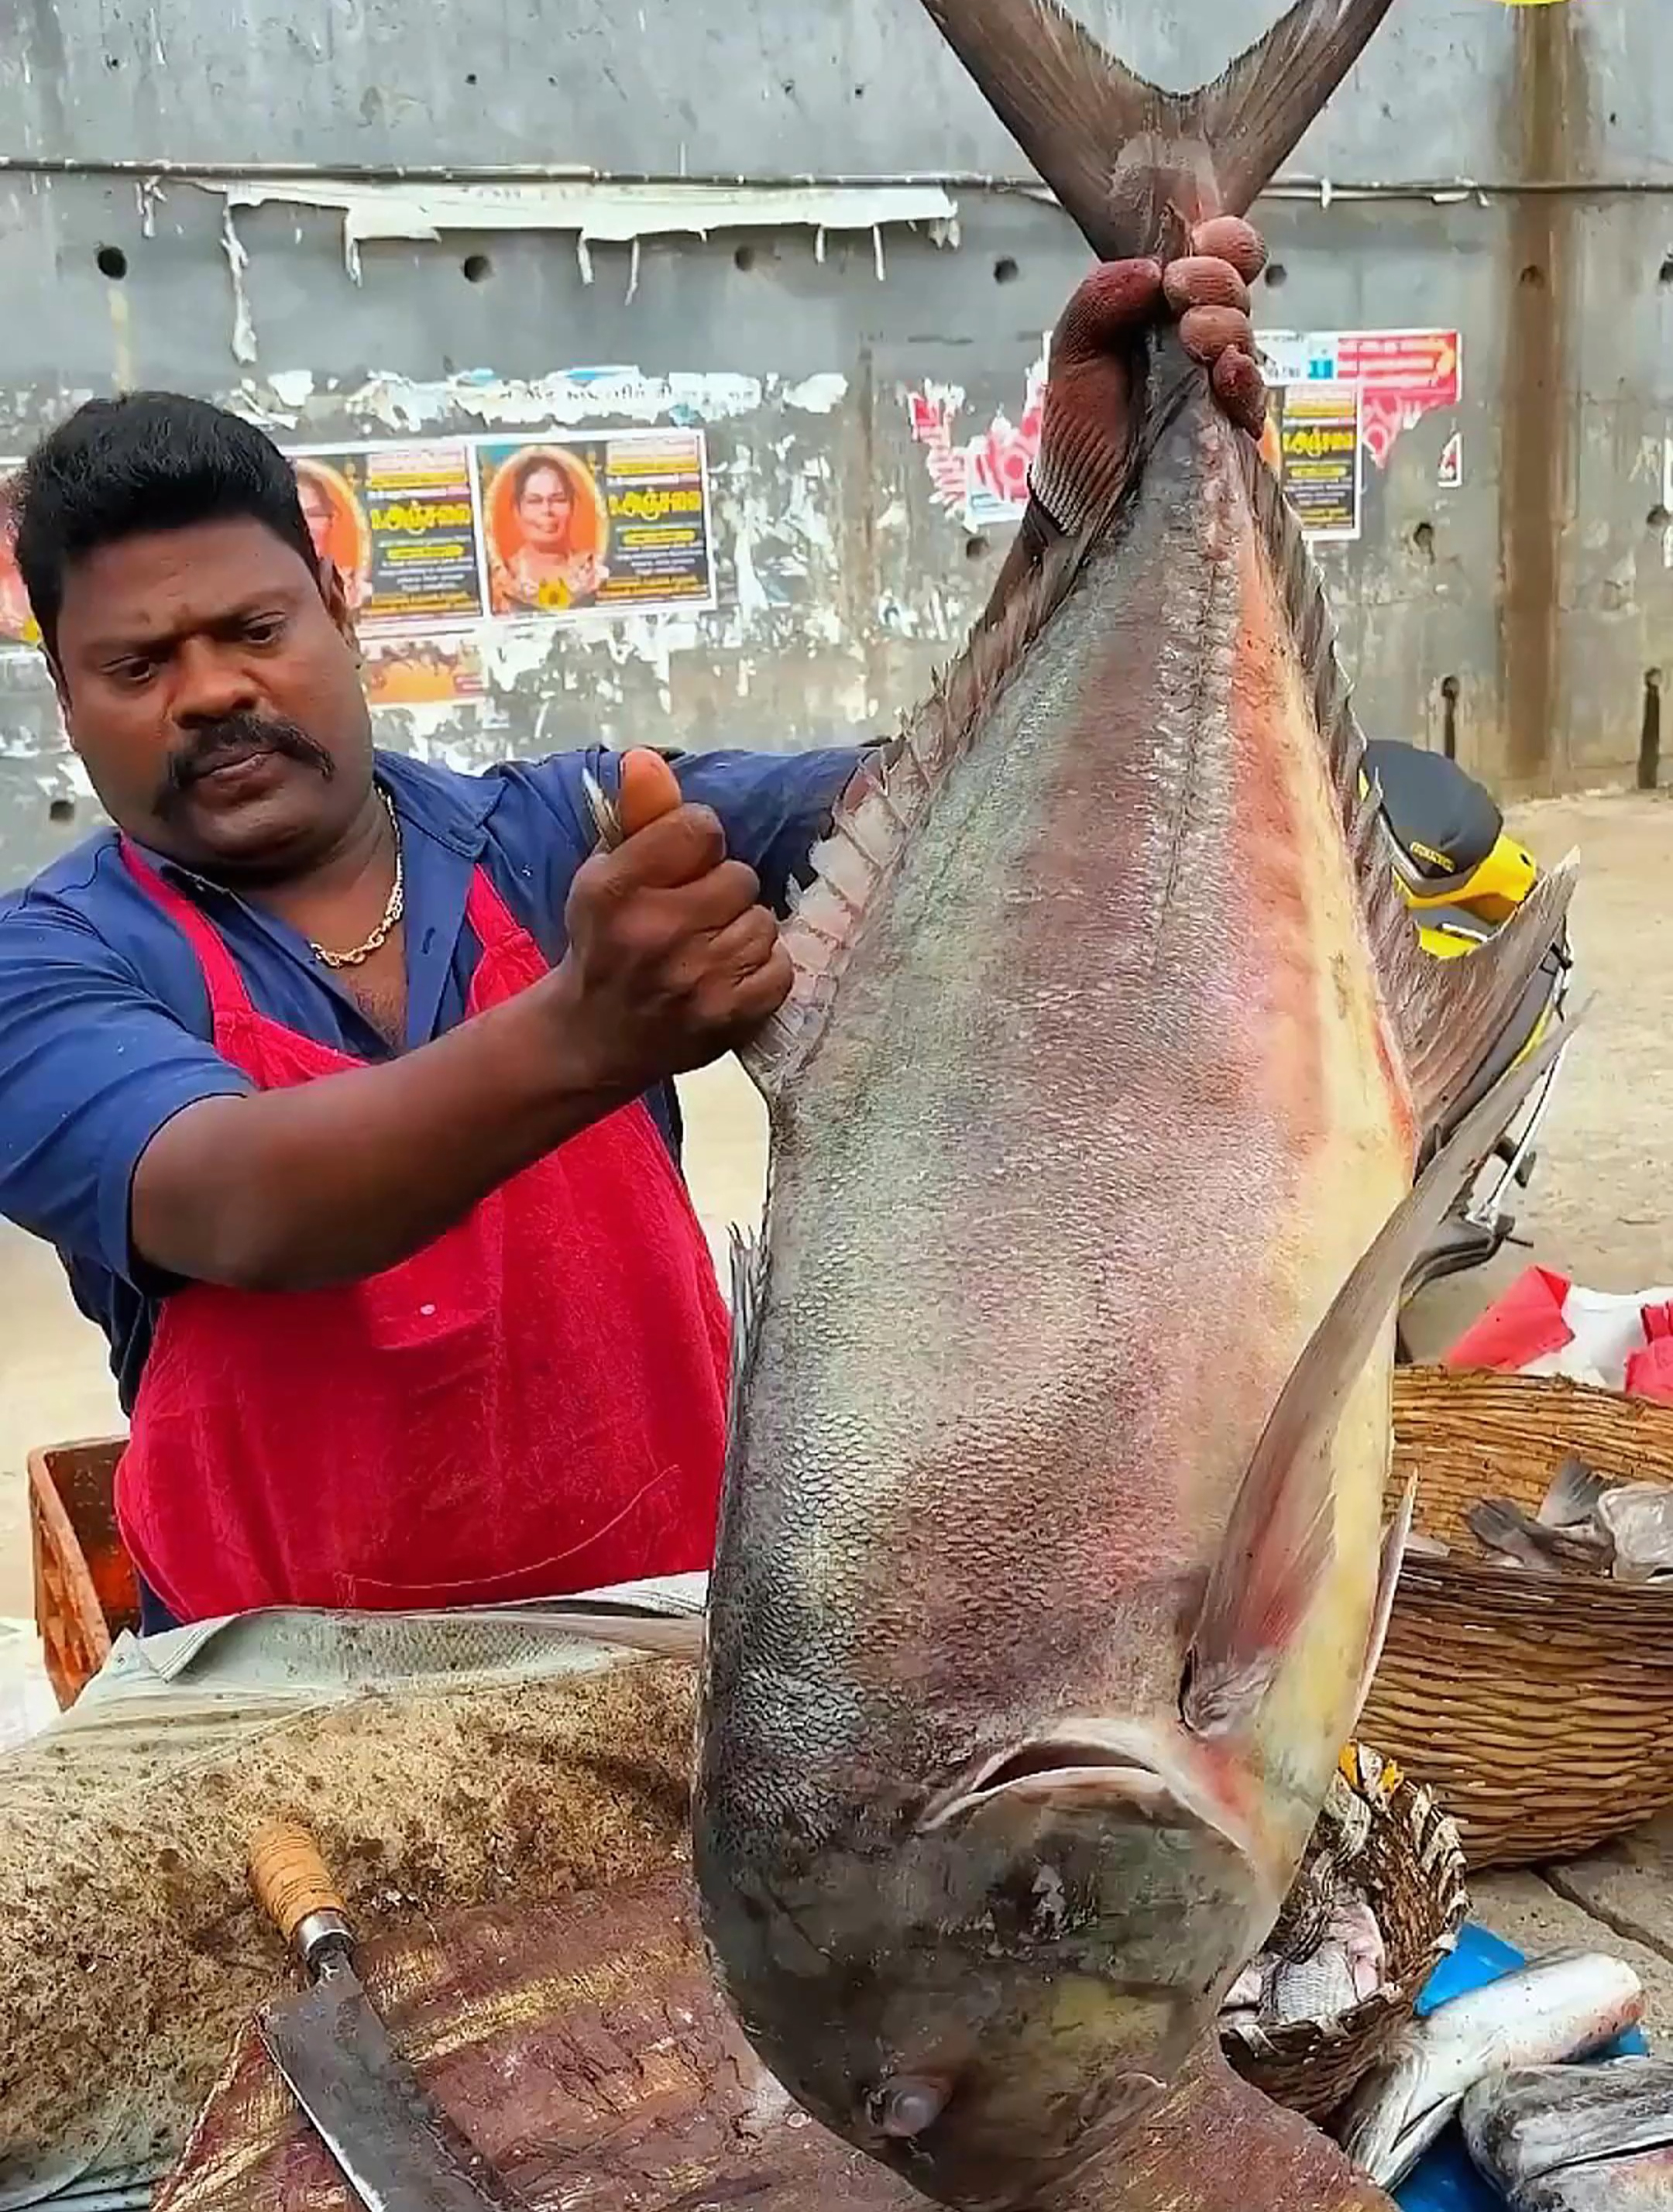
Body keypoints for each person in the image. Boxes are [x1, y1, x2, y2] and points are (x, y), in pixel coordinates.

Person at [0, 222, 1269, 1631]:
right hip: (272, 1688)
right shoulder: (51, 963)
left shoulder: (564, 832)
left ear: (339, 612)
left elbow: (946, 811)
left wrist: (1086, 517)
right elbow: (235, 1200)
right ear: (66, 700)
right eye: (138, 663)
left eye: (252, 629)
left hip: (681, 1637)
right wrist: (587, 1035)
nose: (211, 691)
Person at [496, 454, 605, 612]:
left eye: (558, 500)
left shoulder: (593, 571)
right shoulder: (503, 579)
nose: (547, 510)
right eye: (534, 501)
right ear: (517, 511)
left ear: (572, 506)